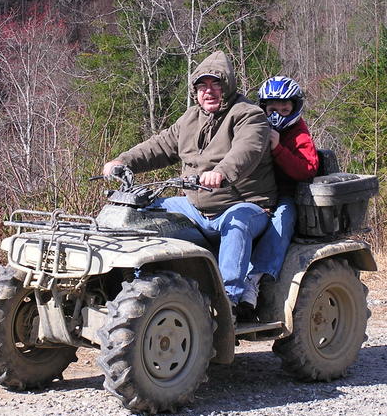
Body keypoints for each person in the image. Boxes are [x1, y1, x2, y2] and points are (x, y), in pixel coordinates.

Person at [102, 51, 278, 312]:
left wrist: (222, 172)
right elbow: (159, 146)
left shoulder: (248, 115)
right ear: (195, 91)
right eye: (202, 86)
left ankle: (228, 300)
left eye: (216, 84)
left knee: (236, 224)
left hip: (244, 203)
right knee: (140, 212)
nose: (209, 92)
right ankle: (131, 282)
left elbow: (246, 151)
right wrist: (123, 161)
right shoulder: (190, 118)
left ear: (227, 86)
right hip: (194, 207)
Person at [238, 76, 319, 317]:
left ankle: (254, 279)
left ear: (295, 107)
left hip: (286, 194)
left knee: (281, 220)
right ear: (263, 107)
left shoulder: (299, 133)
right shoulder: (253, 126)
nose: (278, 114)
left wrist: (278, 148)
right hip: (253, 191)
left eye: (285, 108)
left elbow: (307, 169)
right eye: (273, 108)